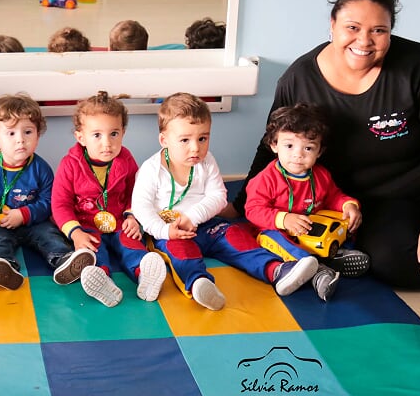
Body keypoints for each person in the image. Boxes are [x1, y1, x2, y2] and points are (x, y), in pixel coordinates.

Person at [232, 0, 420, 290]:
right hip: (382, 198)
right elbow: (272, 144)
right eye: (352, 27)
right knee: (390, 263)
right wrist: (240, 205)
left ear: (390, 31)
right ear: (333, 25)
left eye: (379, 30)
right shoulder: (299, 79)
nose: (364, 41)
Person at [130, 93, 319, 311]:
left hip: (207, 224)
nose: (196, 148)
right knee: (181, 253)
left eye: (202, 138)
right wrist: (165, 231)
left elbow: (219, 196)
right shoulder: (151, 169)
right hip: (172, 231)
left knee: (236, 237)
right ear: (164, 140)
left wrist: (193, 217)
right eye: (185, 140)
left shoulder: (207, 161)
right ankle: (200, 283)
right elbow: (141, 208)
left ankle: (276, 271)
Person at [0, 93, 94, 290]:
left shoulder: (41, 168)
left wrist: (24, 214)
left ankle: (64, 260)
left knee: (50, 234)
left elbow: (49, 201)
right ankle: (4, 266)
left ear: (38, 136)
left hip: (34, 223)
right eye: (11, 134)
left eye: (28, 132)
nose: (21, 140)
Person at [243, 104, 369, 302]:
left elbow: (333, 196)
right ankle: (316, 270)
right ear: (274, 145)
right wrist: (284, 219)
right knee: (273, 238)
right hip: (277, 231)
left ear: (319, 151)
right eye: (289, 146)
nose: (298, 154)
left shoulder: (321, 175)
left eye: (308, 148)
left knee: (342, 221)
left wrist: (348, 205)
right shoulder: (265, 179)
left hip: (312, 230)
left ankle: (335, 255)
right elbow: (253, 210)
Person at [51, 92, 165, 308]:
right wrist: (75, 233)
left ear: (123, 132)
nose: (107, 143)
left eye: (114, 134)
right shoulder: (69, 164)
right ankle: (102, 279)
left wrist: (132, 216)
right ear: (81, 137)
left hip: (120, 222)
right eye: (97, 135)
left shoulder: (126, 159)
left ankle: (144, 274)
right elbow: (60, 204)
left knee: (131, 243)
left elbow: (136, 191)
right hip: (86, 225)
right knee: (93, 252)